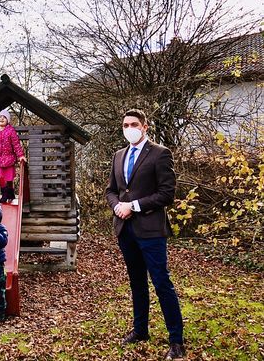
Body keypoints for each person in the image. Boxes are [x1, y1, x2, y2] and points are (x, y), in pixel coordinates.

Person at [104, 109, 185, 360]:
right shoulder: (118, 156)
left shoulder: (160, 154)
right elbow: (111, 190)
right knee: (136, 282)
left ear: (145, 127)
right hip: (125, 229)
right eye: (126, 124)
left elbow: (166, 194)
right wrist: (117, 205)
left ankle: (176, 341)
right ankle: (140, 330)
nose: (130, 128)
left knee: (161, 283)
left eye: (134, 124)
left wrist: (134, 206)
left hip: (150, 230)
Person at [0, 109, 26, 203]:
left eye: (4, 117)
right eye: (0, 117)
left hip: (9, 159)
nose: (2, 118)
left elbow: (16, 144)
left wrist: (20, 156)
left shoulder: (11, 131)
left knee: (9, 179)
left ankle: (11, 193)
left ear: (7, 120)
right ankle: (5, 193)